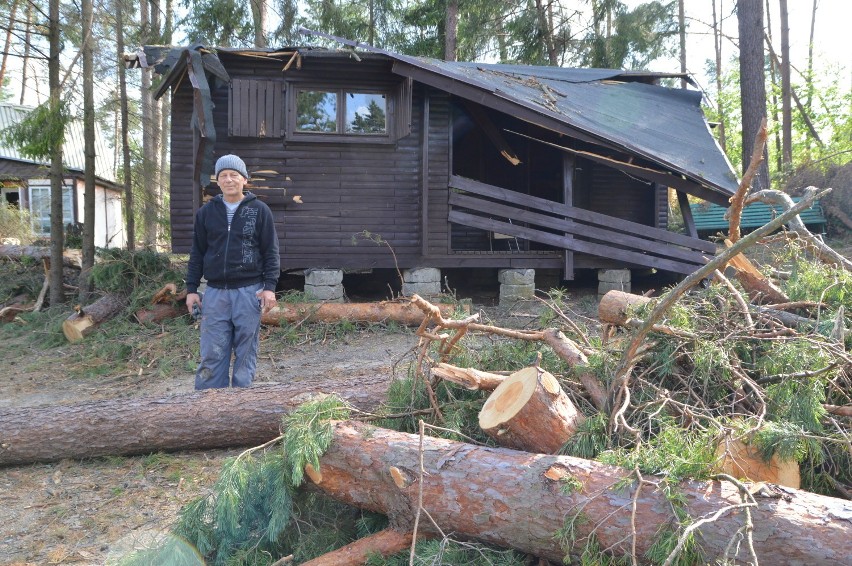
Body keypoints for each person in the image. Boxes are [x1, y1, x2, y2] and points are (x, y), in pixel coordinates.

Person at [185, 154, 280, 389]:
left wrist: (269, 288)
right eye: (223, 175)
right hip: (215, 293)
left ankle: (240, 406)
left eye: (234, 175)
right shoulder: (206, 213)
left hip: (249, 292)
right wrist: (191, 289)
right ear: (217, 181)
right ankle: (210, 406)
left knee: (246, 351)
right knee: (212, 350)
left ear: (244, 180)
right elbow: (197, 253)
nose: (229, 180)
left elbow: (271, 252)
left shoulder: (259, 211)